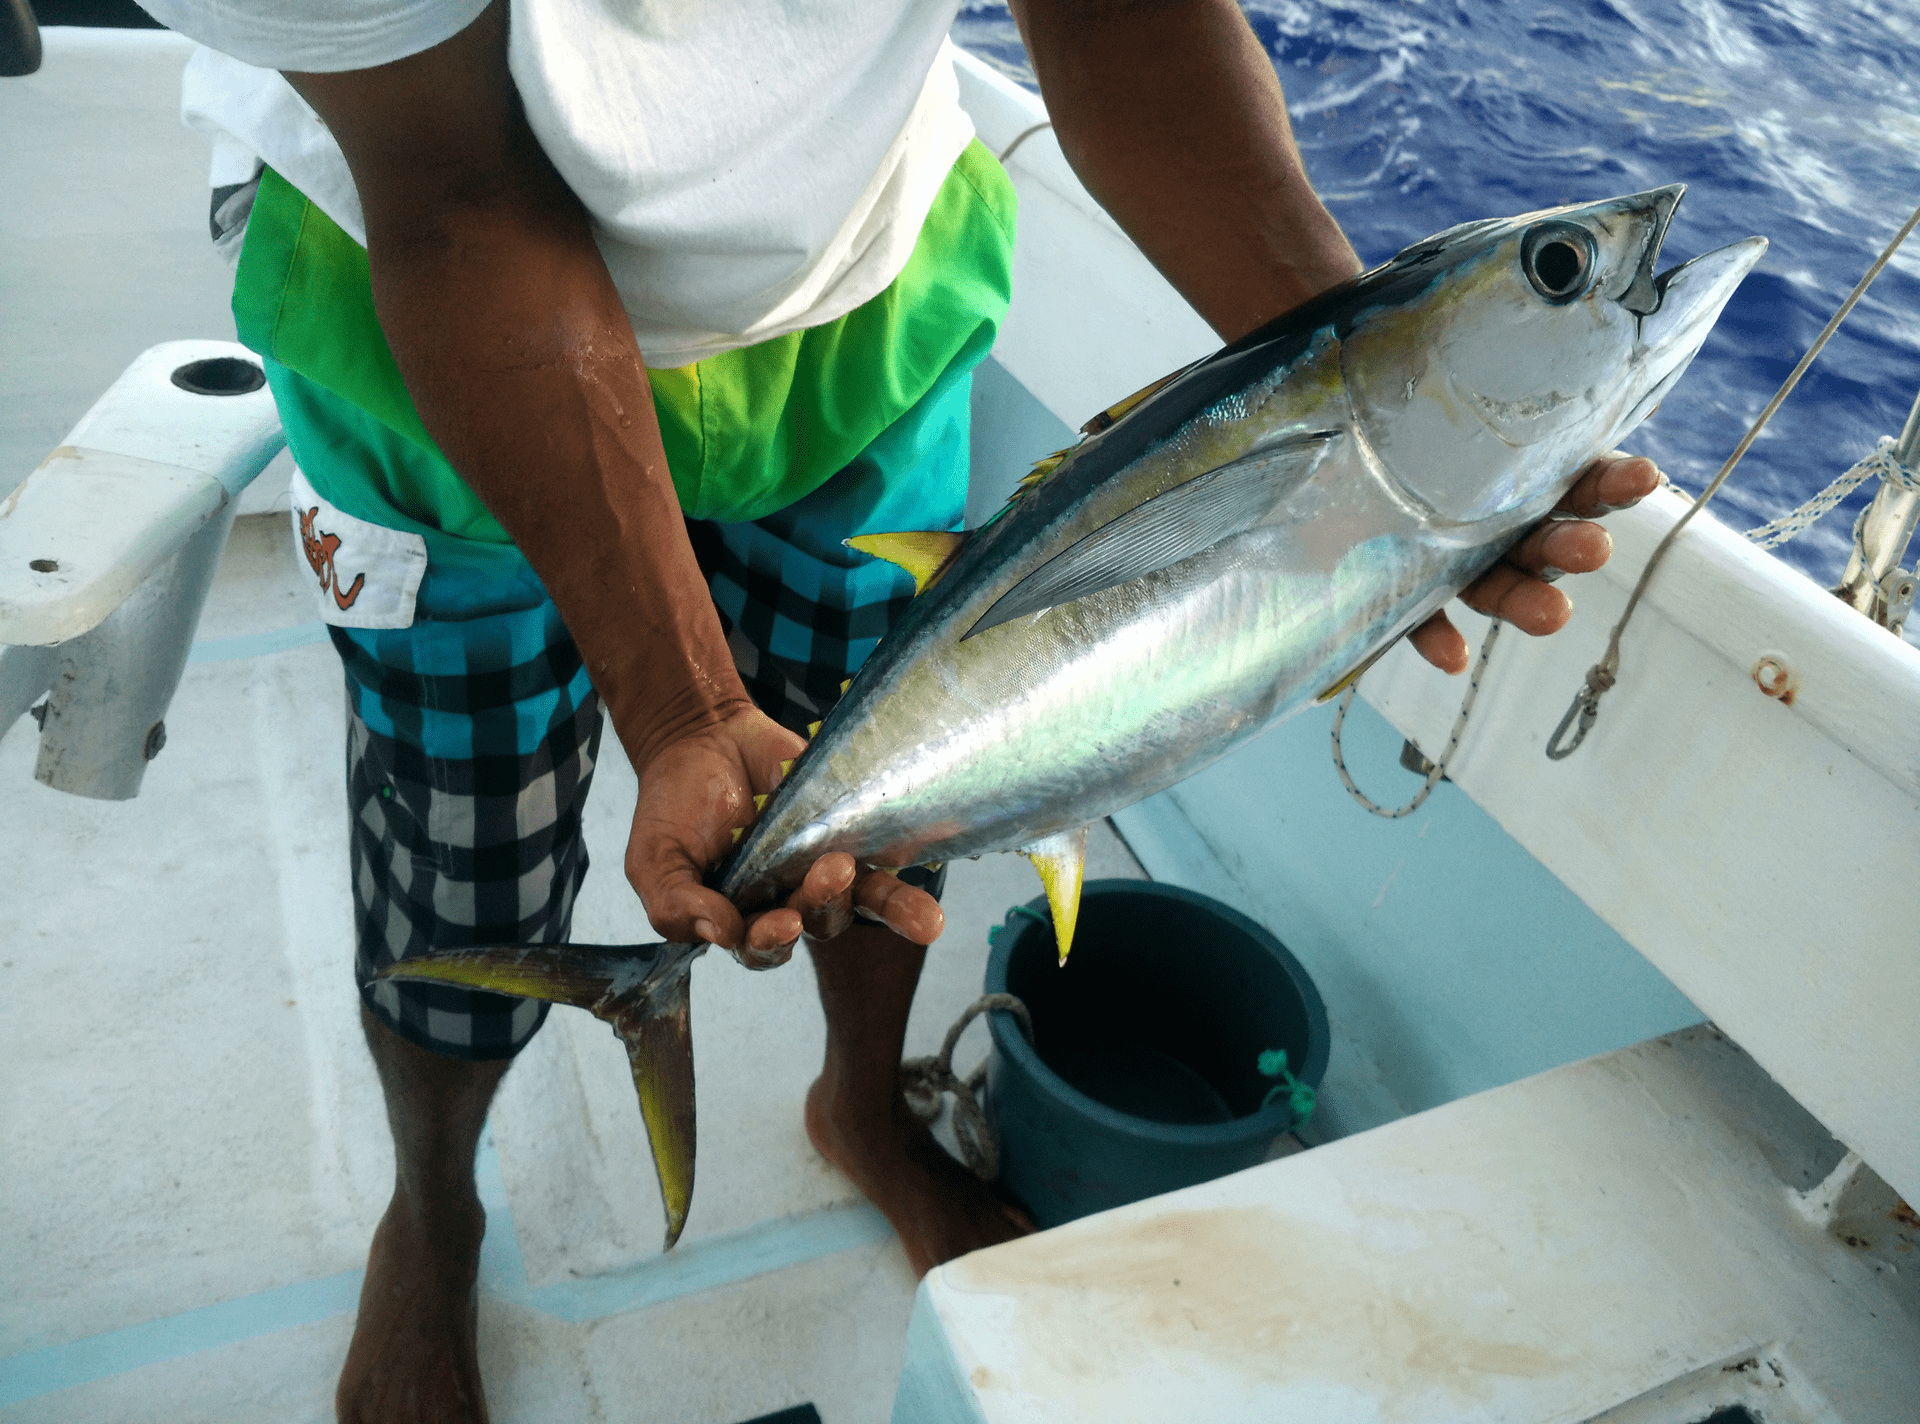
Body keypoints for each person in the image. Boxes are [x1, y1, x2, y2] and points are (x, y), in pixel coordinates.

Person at [141, 0, 1659, 1417]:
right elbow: (456, 192)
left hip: (858, 302)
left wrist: (1380, 420)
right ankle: (434, 1208)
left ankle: (862, 1107)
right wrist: (678, 707)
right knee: (458, 847)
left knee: (904, 796)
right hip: (434, 336)